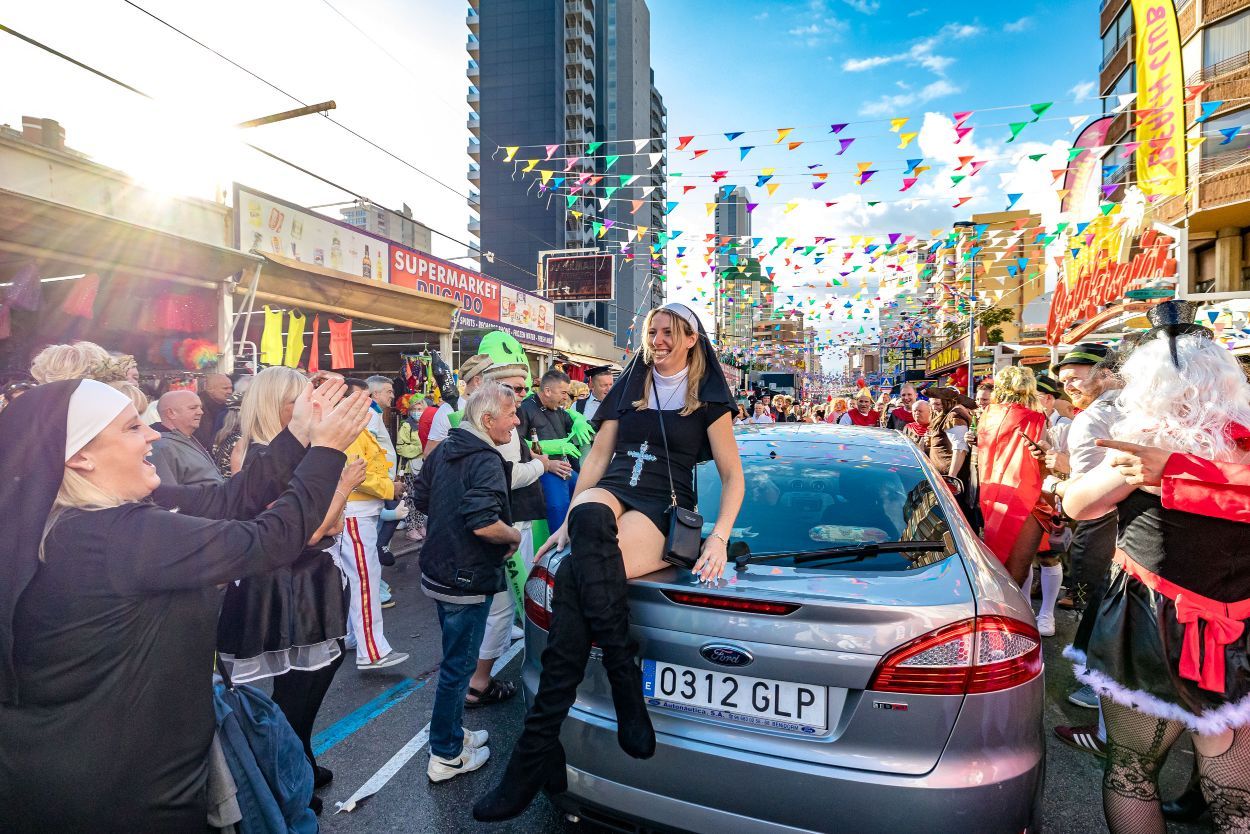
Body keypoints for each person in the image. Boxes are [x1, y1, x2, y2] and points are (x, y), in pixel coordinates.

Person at [0, 376, 369, 832]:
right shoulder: (118, 536)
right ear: (81, 457)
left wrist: (296, 435)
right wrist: (327, 451)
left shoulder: (74, 524)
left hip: (73, 761)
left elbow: (230, 499)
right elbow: (268, 540)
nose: (153, 433)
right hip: (125, 783)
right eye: (133, 428)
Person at [474, 303, 744, 822]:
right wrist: (567, 519)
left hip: (661, 502)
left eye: (669, 332)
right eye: (652, 331)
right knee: (589, 523)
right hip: (612, 490)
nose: (658, 339)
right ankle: (624, 671)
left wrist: (720, 537)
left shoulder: (707, 394)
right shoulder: (631, 381)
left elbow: (733, 476)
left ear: (690, 338)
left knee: (576, 573)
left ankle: (532, 756)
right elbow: (597, 457)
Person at [1062, 323, 1250, 834]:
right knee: (1235, 788)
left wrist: (1154, 465)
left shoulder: (1146, 446)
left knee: (1132, 771)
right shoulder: (1244, 445)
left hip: (1145, 621)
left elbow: (1078, 505)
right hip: (1237, 627)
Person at [413, 383, 523, 782]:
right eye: (511, 414)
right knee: (458, 668)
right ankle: (445, 755)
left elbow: (422, 497)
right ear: (488, 419)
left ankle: (452, 736)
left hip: (439, 571)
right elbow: (484, 524)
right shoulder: (485, 459)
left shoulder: (444, 448)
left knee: (454, 663)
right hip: (464, 578)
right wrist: (513, 536)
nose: (517, 421)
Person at [1051, 343, 1125, 727]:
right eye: (1064, 381)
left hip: (1110, 525)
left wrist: (1058, 480)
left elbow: (1083, 499)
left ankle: (1101, 702)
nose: (1069, 387)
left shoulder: (1092, 418)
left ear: (1106, 373)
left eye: (1076, 377)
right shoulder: (1140, 406)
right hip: (1143, 527)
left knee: (1106, 603)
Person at [331, 378, 407, 671]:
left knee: (356, 580)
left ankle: (354, 637)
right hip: (355, 514)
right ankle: (372, 651)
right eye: (362, 399)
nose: (369, 404)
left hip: (359, 512)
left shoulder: (355, 429)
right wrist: (391, 488)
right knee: (364, 581)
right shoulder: (346, 433)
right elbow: (358, 475)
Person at [975, 367, 1047, 588]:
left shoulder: (987, 415)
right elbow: (1043, 463)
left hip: (992, 496)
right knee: (1016, 574)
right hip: (1025, 499)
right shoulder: (1035, 418)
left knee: (996, 564)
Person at [518, 369, 578, 531]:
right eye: (563, 392)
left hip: (565, 467)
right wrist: (548, 464)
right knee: (559, 507)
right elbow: (519, 443)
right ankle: (558, 551)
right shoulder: (525, 409)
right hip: (544, 470)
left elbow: (574, 428)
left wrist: (581, 421)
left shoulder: (558, 410)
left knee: (584, 495)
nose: (566, 397)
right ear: (547, 391)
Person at [149, 390, 225, 487]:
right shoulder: (161, 446)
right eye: (193, 408)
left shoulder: (183, 438)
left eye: (200, 407)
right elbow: (167, 493)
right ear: (171, 413)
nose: (201, 412)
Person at [365, 375, 403, 567]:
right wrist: (386, 481)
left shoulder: (376, 413)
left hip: (384, 481)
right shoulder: (371, 415)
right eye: (389, 391)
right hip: (379, 484)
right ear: (375, 393)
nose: (393, 395)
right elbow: (369, 451)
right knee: (378, 535)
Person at [194, 373, 234, 451]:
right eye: (225, 388)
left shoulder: (229, 407)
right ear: (210, 389)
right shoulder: (197, 407)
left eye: (231, 388)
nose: (230, 391)